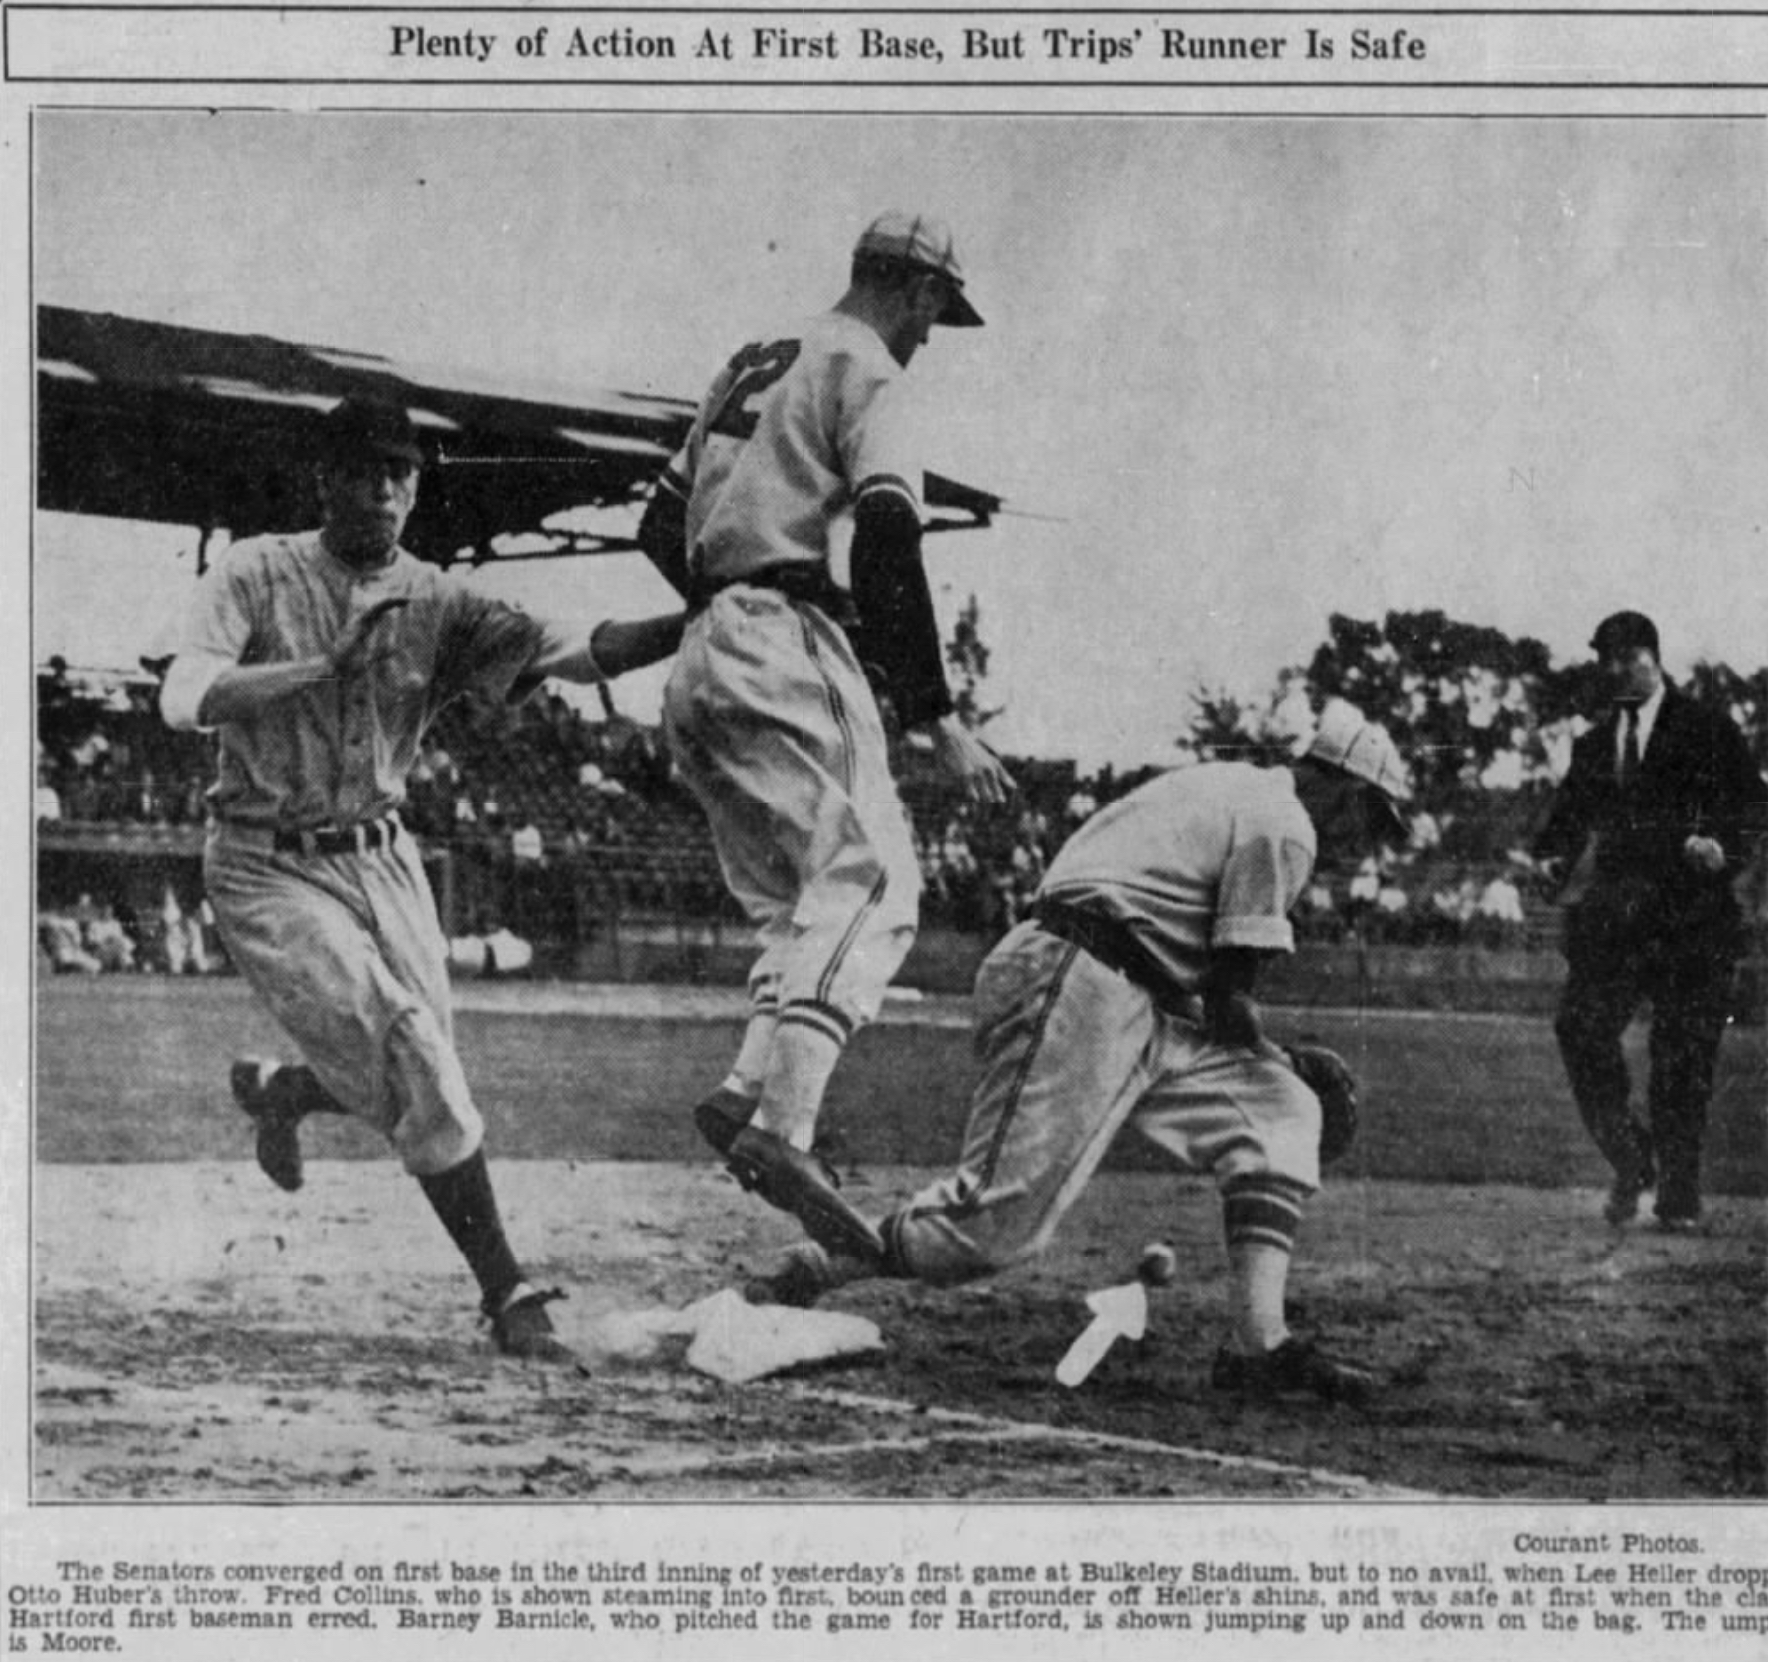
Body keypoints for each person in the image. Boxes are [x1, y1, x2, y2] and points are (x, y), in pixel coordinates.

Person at [160, 395, 685, 1363]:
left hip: (383, 855)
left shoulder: (441, 598)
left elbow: (576, 651)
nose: (385, 488)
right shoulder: (258, 570)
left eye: (400, 471)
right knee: (410, 1052)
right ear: (325, 479)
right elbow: (184, 698)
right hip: (266, 861)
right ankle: (508, 1291)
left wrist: (703, 614)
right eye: (364, 469)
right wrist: (322, 667)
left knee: (412, 1057)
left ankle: (286, 1092)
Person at [741, 701, 1413, 1405]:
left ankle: (1259, 1347)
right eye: (1372, 818)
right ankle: (811, 1266)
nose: (1367, 843)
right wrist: (1292, 1058)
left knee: (1280, 1112)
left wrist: (1283, 1073)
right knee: (986, 1235)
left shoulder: (1240, 787)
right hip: (1075, 975)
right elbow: (1229, 1004)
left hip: (1131, 989)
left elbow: (1196, 980)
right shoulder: (1288, 824)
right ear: (1341, 785)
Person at [636, 211, 1013, 1245]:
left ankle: (747, 1087)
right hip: (786, 639)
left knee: (799, 905)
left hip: (705, 649)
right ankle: (786, 1129)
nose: (934, 333)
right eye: (940, 310)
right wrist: (936, 714)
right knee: (877, 885)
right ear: (919, 289)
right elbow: (889, 535)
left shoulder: (751, 362)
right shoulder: (871, 371)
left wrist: (725, 597)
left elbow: (656, 527)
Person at [1532, 611, 1767, 1233]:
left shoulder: (1708, 729)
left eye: (1621, 658)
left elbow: (1752, 806)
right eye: (1602, 660)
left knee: (1682, 1059)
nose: (1611, 671)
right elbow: (1561, 829)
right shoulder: (1592, 744)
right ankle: (1631, 1157)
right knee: (1580, 1029)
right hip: (1617, 924)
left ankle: (1680, 1198)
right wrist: (1551, 863)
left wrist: (1723, 848)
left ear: (1650, 657)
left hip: (1693, 922)